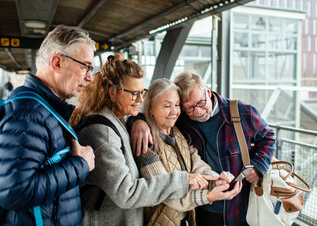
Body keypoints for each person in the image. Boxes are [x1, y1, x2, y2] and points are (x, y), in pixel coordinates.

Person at [69, 54, 218, 226]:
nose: (140, 100)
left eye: (142, 93)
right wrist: (183, 180)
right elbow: (126, 192)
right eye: (134, 93)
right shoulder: (102, 133)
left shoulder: (120, 121)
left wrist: (138, 120)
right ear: (113, 92)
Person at [128, 71, 276, 226]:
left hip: (239, 204)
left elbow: (268, 137)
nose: (197, 112)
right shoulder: (182, 119)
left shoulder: (242, 112)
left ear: (208, 91)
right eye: (189, 107)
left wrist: (258, 166)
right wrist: (137, 121)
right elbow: (157, 113)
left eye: (200, 102)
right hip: (201, 207)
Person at [0, 25, 96, 225]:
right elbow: (14, 191)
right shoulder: (29, 115)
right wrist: (80, 165)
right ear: (57, 62)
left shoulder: (40, 110)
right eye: (85, 66)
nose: (90, 77)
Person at [137, 78, 241, 226]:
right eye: (167, 106)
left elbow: (197, 165)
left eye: (177, 105)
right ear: (151, 109)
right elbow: (169, 194)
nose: (174, 112)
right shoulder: (146, 144)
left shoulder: (178, 133)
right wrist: (209, 196)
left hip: (186, 219)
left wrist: (217, 180)